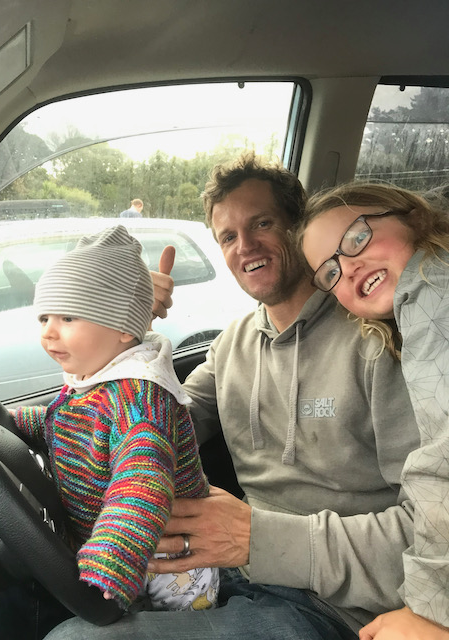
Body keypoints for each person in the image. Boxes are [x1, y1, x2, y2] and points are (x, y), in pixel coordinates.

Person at [46, 154, 420, 640]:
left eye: (261, 223)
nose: (245, 246)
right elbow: (153, 424)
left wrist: (256, 538)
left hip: (333, 606)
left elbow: (430, 533)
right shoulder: (232, 344)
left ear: (297, 227)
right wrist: (126, 329)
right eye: (227, 236)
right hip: (231, 571)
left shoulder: (379, 341)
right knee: (43, 590)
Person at [10, 226, 218, 617]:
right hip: (117, 543)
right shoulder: (93, 380)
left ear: (123, 327)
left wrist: (113, 553)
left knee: (179, 625)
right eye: (44, 317)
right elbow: (70, 425)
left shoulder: (141, 398)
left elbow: (142, 478)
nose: (48, 332)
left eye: (68, 317)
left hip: (169, 560)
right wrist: (16, 422)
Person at [299, 181, 449, 638]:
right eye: (330, 272)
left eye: (358, 237)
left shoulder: (432, 284)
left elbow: (443, 462)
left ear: (413, 216)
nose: (348, 267)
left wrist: (431, 611)